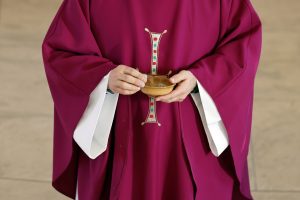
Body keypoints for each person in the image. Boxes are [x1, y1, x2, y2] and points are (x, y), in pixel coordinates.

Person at [41, 0, 262, 199]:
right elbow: (62, 51)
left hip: (191, 132)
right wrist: (105, 77)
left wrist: (201, 80)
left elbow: (242, 45)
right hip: (119, 135)